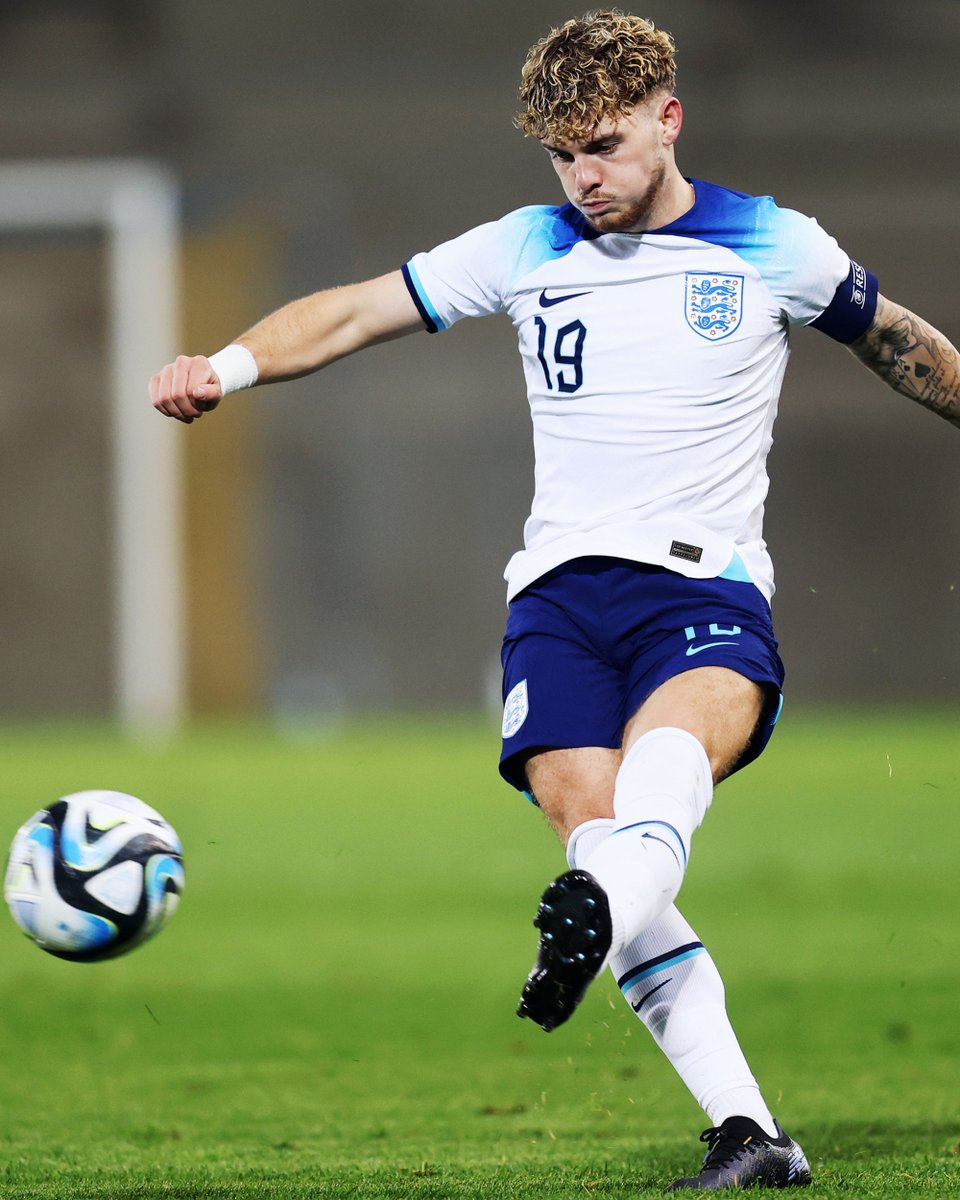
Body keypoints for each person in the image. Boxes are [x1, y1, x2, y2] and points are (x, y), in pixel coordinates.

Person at [150, 10, 960, 1190]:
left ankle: (592, 913)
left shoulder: (771, 243)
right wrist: (220, 368)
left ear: (668, 119)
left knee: (660, 781)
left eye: (607, 145)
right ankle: (752, 1133)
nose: (585, 176)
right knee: (603, 839)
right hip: (558, 603)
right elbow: (356, 310)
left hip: (704, 586)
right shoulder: (528, 244)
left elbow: (899, 342)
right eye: (563, 154)